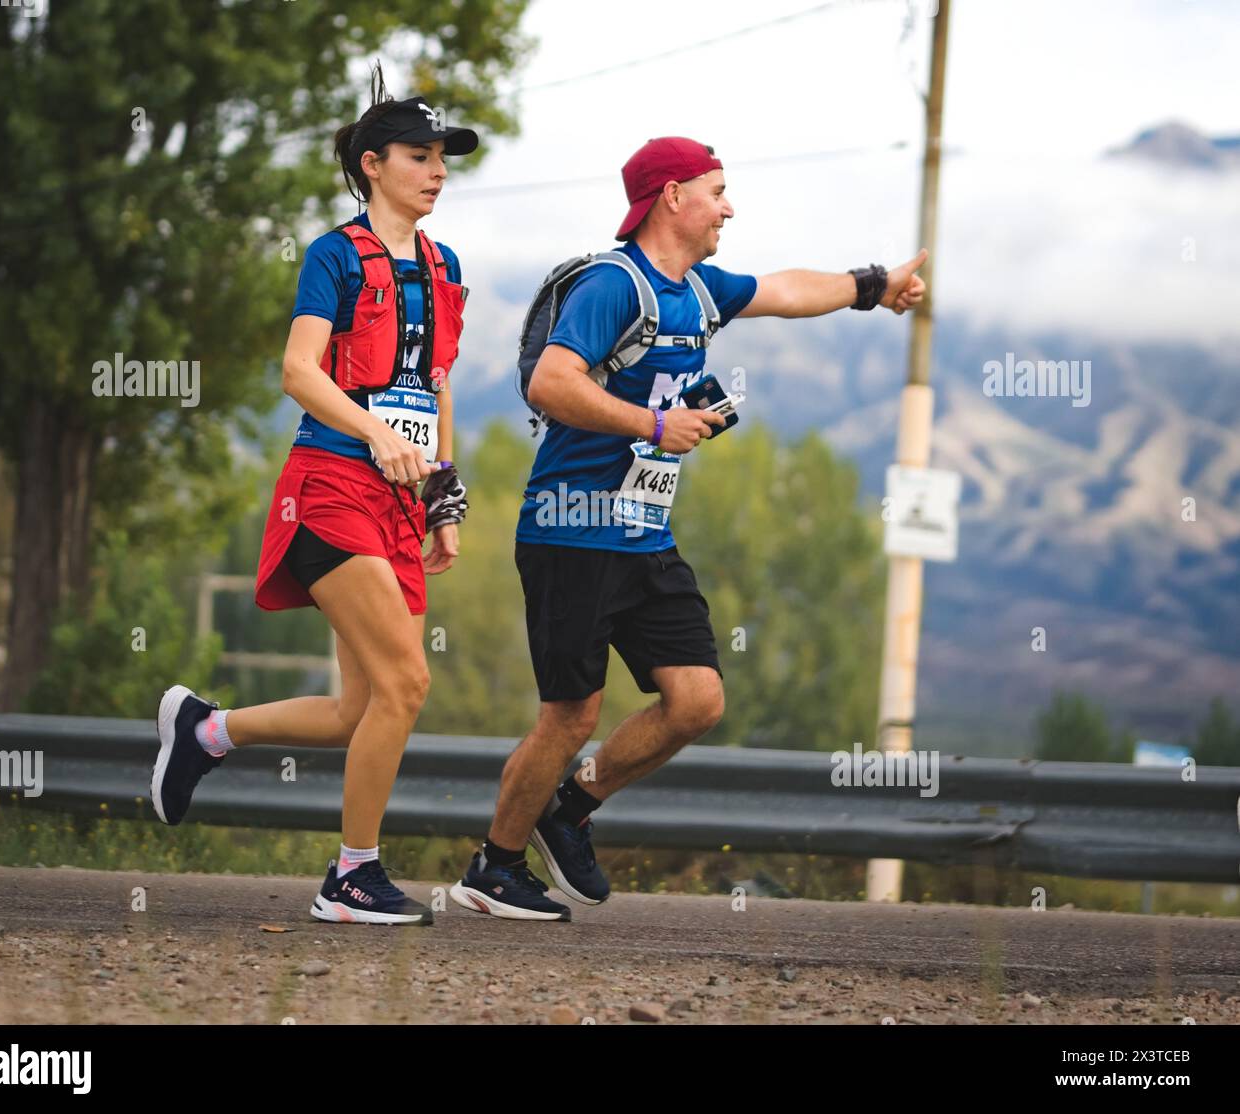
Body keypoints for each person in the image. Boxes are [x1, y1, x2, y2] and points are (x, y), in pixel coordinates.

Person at [450, 136, 926, 920]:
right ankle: (494, 867)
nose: (729, 206)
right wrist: (652, 421)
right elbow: (551, 381)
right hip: (571, 532)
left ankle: (569, 808)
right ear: (673, 197)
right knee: (570, 716)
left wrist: (873, 285)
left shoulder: (699, 289)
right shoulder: (614, 285)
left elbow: (784, 289)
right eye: (717, 190)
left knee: (698, 700)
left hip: (643, 533)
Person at [150, 65, 476, 925]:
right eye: (420, 154)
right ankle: (351, 877)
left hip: (404, 501)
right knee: (408, 684)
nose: (438, 170)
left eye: (444, 157)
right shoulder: (335, 254)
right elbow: (298, 371)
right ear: (373, 164)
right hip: (331, 484)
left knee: (355, 710)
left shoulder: (444, 267)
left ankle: (207, 732)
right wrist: (376, 434)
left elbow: (436, 386)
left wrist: (444, 497)